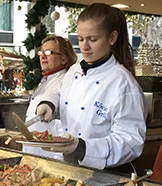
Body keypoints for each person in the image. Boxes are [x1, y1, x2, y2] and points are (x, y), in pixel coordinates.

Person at [37, 3, 147, 170]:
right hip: (71, 166)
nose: (84, 47)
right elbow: (60, 93)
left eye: (93, 39)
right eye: (80, 39)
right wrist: (49, 103)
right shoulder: (74, 71)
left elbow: (130, 142)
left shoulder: (123, 84)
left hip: (107, 173)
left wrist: (82, 148)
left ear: (112, 38)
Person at [23, 35, 77, 159]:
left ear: (63, 59)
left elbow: (56, 97)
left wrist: (48, 105)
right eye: (41, 52)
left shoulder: (66, 80)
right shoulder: (46, 80)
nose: (42, 56)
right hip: (34, 152)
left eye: (48, 52)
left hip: (51, 154)